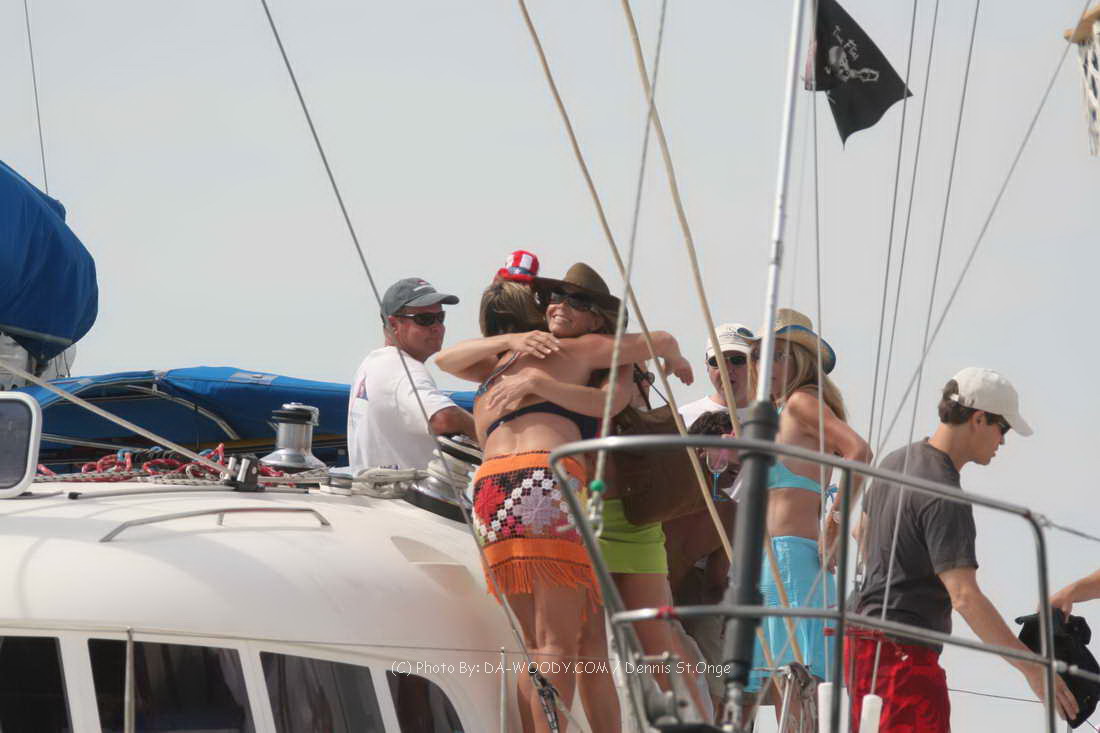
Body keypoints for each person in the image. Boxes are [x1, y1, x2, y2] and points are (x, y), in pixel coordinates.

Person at [436, 261, 693, 733]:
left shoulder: (502, 364)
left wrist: (515, 350)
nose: (561, 305)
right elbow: (660, 339)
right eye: (556, 297)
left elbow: (446, 360)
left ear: (596, 316)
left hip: (490, 489)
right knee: (559, 643)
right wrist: (675, 358)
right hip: (542, 480)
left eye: (577, 301)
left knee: (536, 645)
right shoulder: (578, 349)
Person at [848, 367, 1077, 731]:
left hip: (860, 646)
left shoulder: (895, 460)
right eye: (1003, 429)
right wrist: (1034, 669)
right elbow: (965, 597)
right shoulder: (944, 492)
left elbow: (861, 531)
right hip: (903, 656)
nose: (1003, 442)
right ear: (979, 419)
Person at [747, 308, 871, 724]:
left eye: (777, 355)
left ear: (799, 360)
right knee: (786, 685)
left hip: (790, 558)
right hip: (774, 560)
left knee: (796, 680)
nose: (765, 365)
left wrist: (833, 524)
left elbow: (858, 451)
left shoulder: (802, 402)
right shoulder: (779, 411)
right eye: (760, 355)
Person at [347, 277, 475, 472]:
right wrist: (491, 436)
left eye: (440, 318)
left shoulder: (371, 364)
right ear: (393, 324)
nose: (437, 327)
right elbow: (443, 418)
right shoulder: (401, 367)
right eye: (424, 319)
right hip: (406, 492)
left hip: (377, 488)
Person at [678, 322, 757, 429]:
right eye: (717, 361)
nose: (727, 370)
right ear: (707, 366)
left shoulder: (774, 418)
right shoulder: (683, 419)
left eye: (738, 360)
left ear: (755, 364)